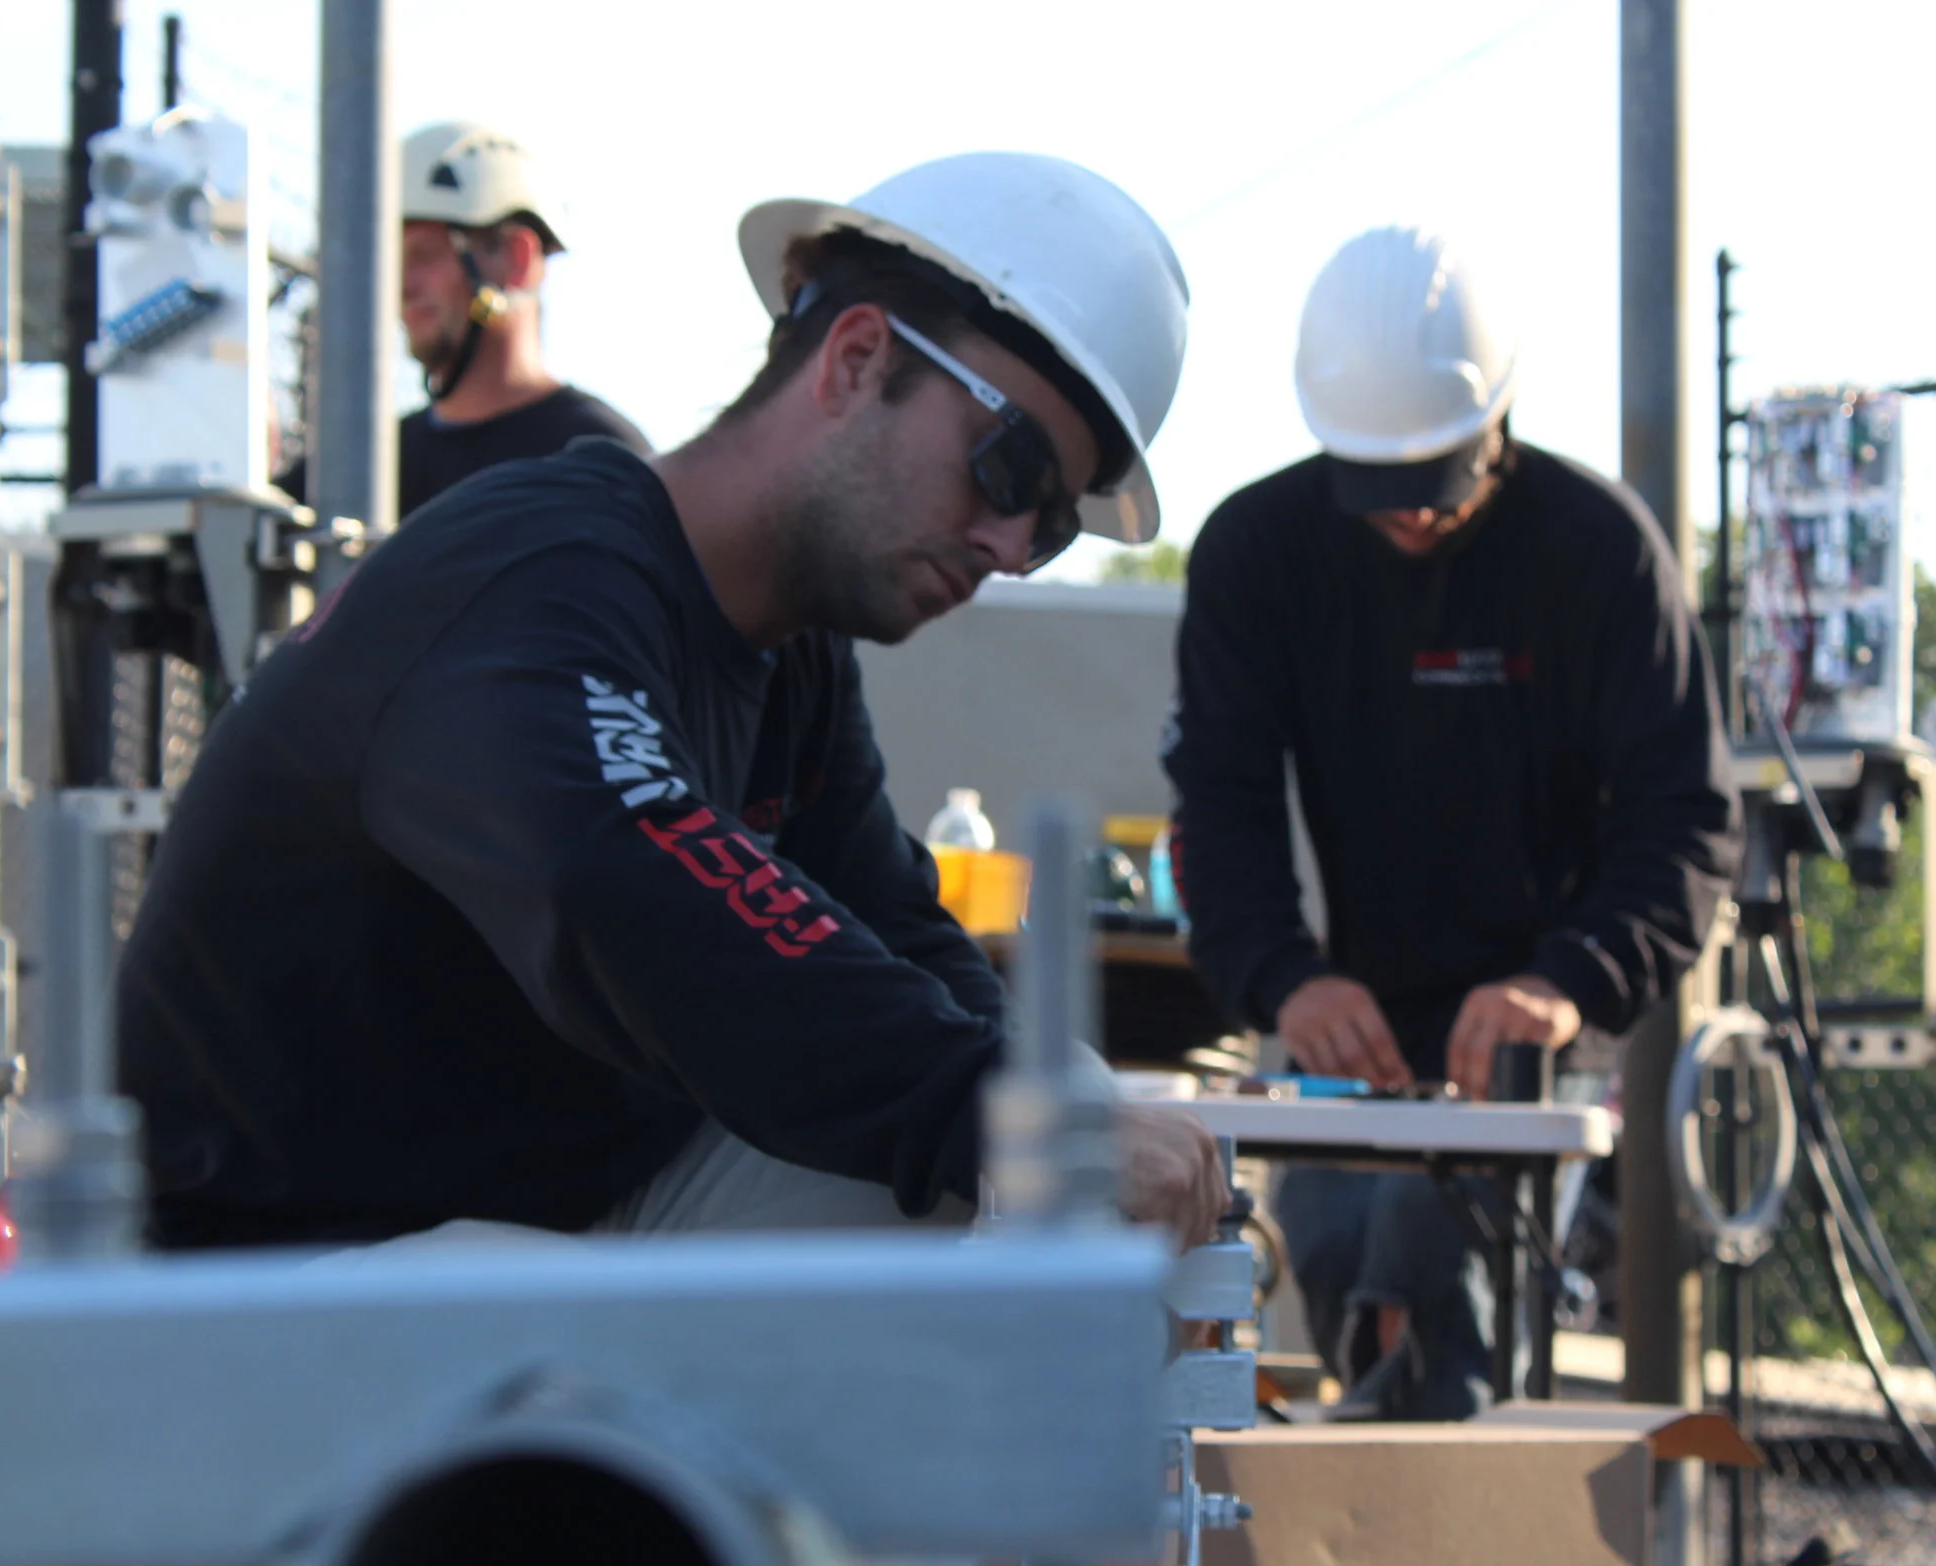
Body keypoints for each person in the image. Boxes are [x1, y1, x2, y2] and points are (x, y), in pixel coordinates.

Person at [118, 149, 1221, 1266]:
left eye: (1052, 527)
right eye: (1007, 468)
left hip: (552, 1212)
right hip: (282, 1266)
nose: (1011, 547)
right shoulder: (538, 570)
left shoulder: (791, 646)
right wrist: (991, 1114)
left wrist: (1057, 1113)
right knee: (1005, 1141)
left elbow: (889, 931)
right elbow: (614, 878)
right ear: (856, 358)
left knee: (1058, 1129)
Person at [1161, 225, 1739, 1421]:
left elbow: (1684, 822)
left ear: (1497, 424)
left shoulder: (1599, 555)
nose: (1410, 519)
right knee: (1323, 1258)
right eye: (1379, 489)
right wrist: (1284, 978)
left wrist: (1566, 980)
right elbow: (1218, 807)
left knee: (1441, 1285)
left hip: (1532, 1019)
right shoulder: (1256, 554)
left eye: (1433, 481)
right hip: (1343, 1022)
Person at [275, 122, 650, 519]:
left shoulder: (600, 462)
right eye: (390, 261)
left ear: (516, 259)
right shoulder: (357, 470)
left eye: (424, 255)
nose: (401, 285)